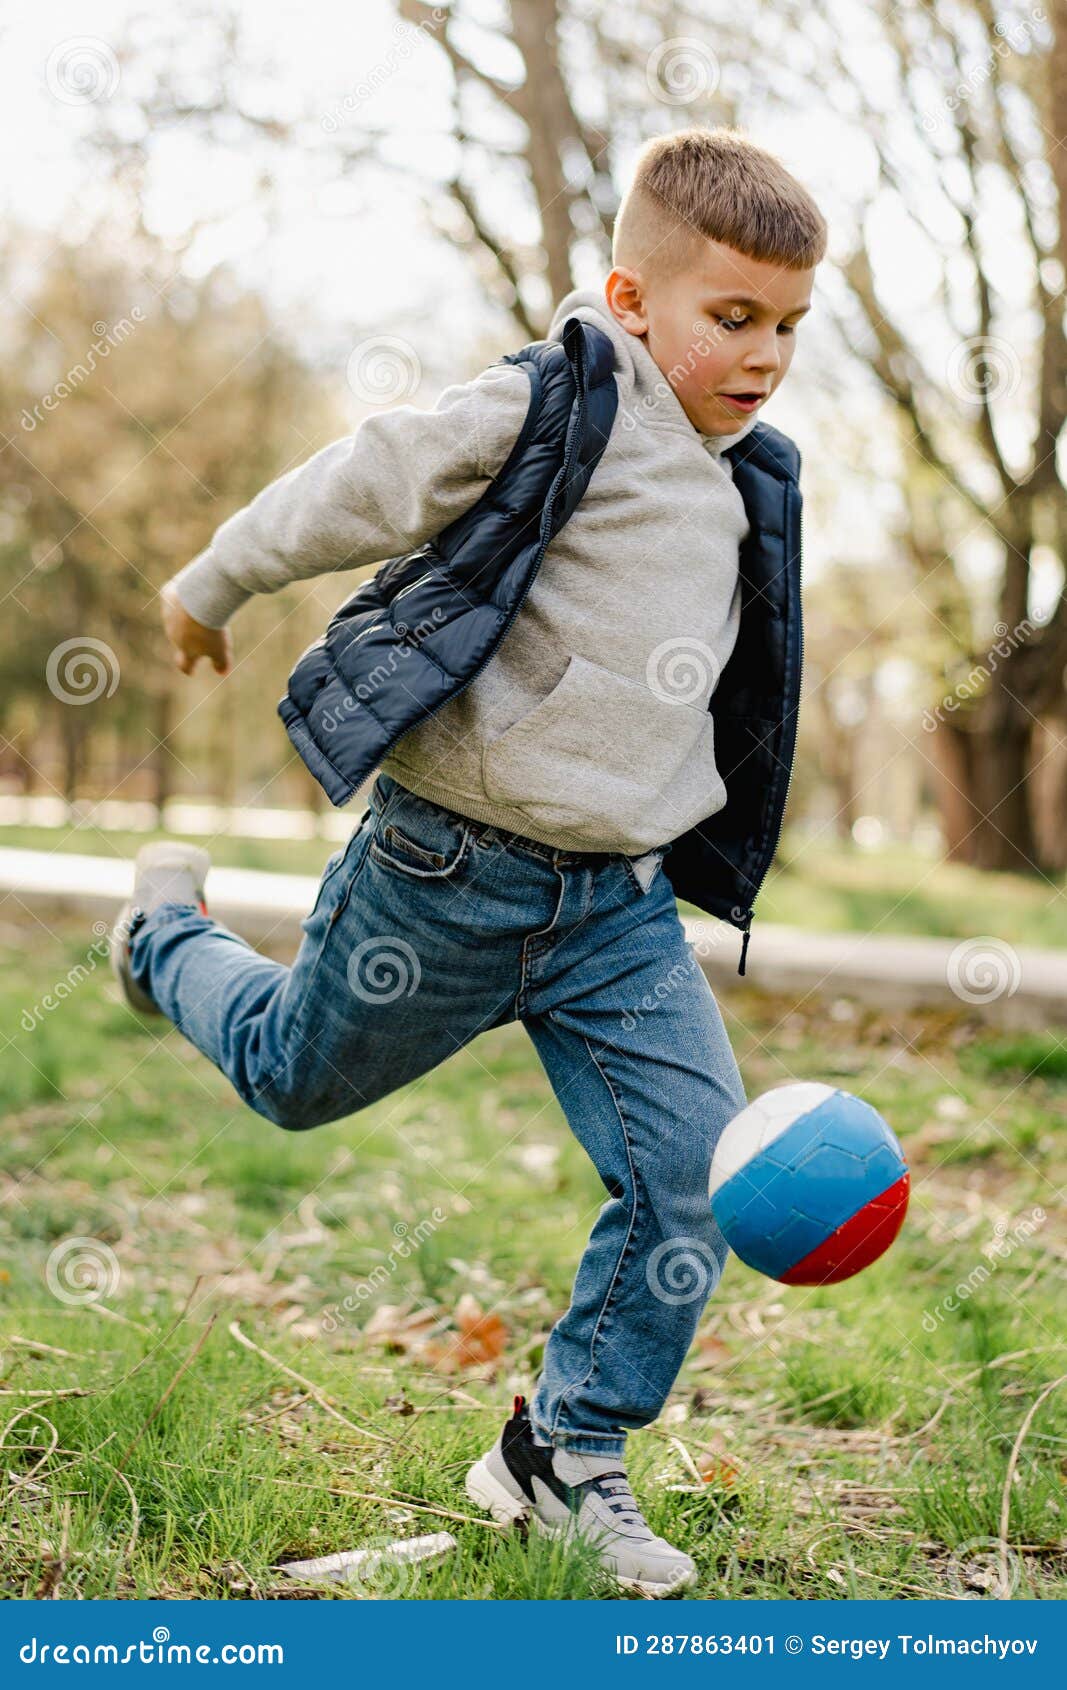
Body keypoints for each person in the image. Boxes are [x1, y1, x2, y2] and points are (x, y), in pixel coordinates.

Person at [110, 125, 826, 1598]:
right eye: (733, 318)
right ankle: (161, 937)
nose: (765, 355)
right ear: (632, 298)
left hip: (614, 914)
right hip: (445, 876)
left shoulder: (754, 473)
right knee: (289, 1077)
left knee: (689, 1175)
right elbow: (361, 482)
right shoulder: (551, 404)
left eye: (790, 326)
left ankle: (561, 1456)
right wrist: (214, 578)